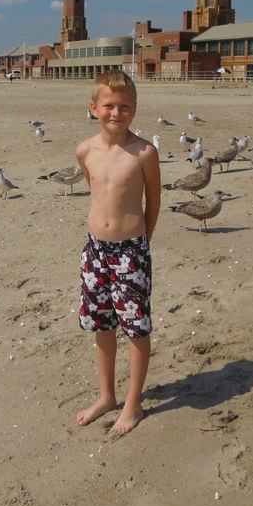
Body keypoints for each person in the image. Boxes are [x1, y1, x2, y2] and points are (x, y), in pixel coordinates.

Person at [74, 70, 161, 434]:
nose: (116, 112)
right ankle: (107, 395)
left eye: (125, 106)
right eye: (108, 105)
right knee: (102, 324)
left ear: (135, 110)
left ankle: (133, 403)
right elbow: (97, 189)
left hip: (130, 252)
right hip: (94, 250)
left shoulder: (144, 152)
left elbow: (153, 202)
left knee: (136, 328)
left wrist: (140, 244)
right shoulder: (85, 150)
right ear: (94, 108)